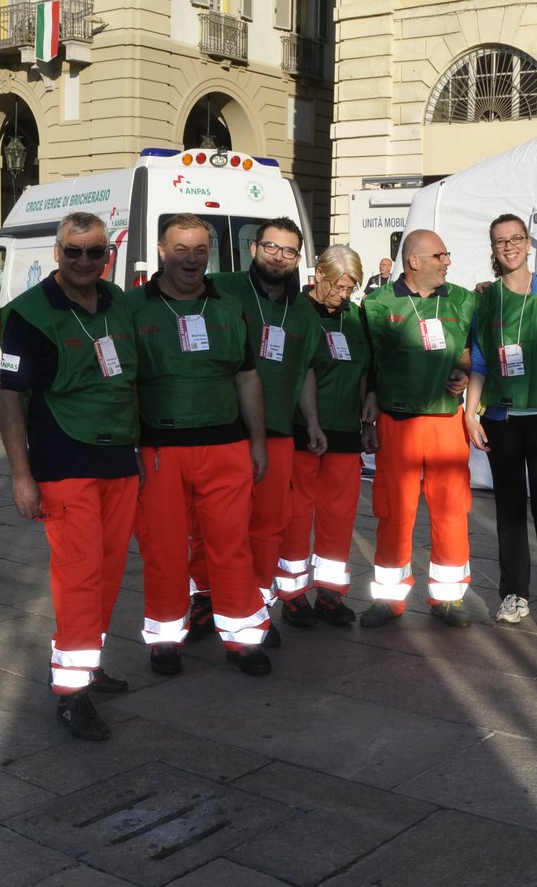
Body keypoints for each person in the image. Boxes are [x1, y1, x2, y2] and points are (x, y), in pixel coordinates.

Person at [0, 212, 138, 741]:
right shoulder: (29, 314)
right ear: (57, 253)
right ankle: (70, 693)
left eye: (95, 252)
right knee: (78, 577)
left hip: (119, 458)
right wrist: (21, 476)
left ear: (108, 255)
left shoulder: (118, 302)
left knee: (105, 572)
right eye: (74, 252)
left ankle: (89, 661)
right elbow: (10, 401)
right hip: (63, 461)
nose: (85, 261)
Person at [132, 213, 271, 677]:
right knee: (164, 548)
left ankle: (244, 638)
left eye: (199, 249)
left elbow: (247, 375)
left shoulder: (229, 306)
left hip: (225, 446)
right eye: (180, 249)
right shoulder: (134, 308)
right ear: (161, 251)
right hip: (158, 451)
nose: (190, 259)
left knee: (231, 545)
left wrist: (257, 441)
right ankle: (166, 639)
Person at [188, 217, 321, 647]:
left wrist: (313, 422)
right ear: (253, 248)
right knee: (212, 524)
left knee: (267, 526)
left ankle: (256, 606)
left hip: (279, 431)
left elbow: (305, 373)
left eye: (288, 251)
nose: (279, 257)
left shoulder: (302, 310)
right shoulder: (221, 288)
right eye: (271, 247)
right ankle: (205, 598)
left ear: (298, 258)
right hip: (225, 429)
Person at [358, 229, 479, 627]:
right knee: (394, 513)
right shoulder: (378, 302)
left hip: (446, 422)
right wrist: (369, 404)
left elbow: (471, 350)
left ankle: (447, 598)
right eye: (440, 255)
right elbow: (368, 361)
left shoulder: (463, 300)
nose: (447, 262)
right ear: (414, 261)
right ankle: (389, 600)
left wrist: (463, 371)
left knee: (451, 512)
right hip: (397, 422)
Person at [464, 214, 537, 630]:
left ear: (528, 244)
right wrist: (470, 413)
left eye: (515, 239)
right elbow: (482, 360)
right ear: (493, 248)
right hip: (503, 418)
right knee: (507, 510)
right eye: (500, 241)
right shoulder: (485, 300)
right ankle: (513, 594)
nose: (508, 247)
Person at [278, 246, 370, 627]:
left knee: (339, 515)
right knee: (297, 516)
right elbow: (302, 372)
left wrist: (370, 415)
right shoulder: (295, 313)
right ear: (319, 275)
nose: (342, 295)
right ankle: (293, 595)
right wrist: (311, 421)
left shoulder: (355, 316)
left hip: (346, 433)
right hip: (304, 433)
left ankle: (331, 592)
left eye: (350, 288)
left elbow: (367, 366)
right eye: (338, 286)